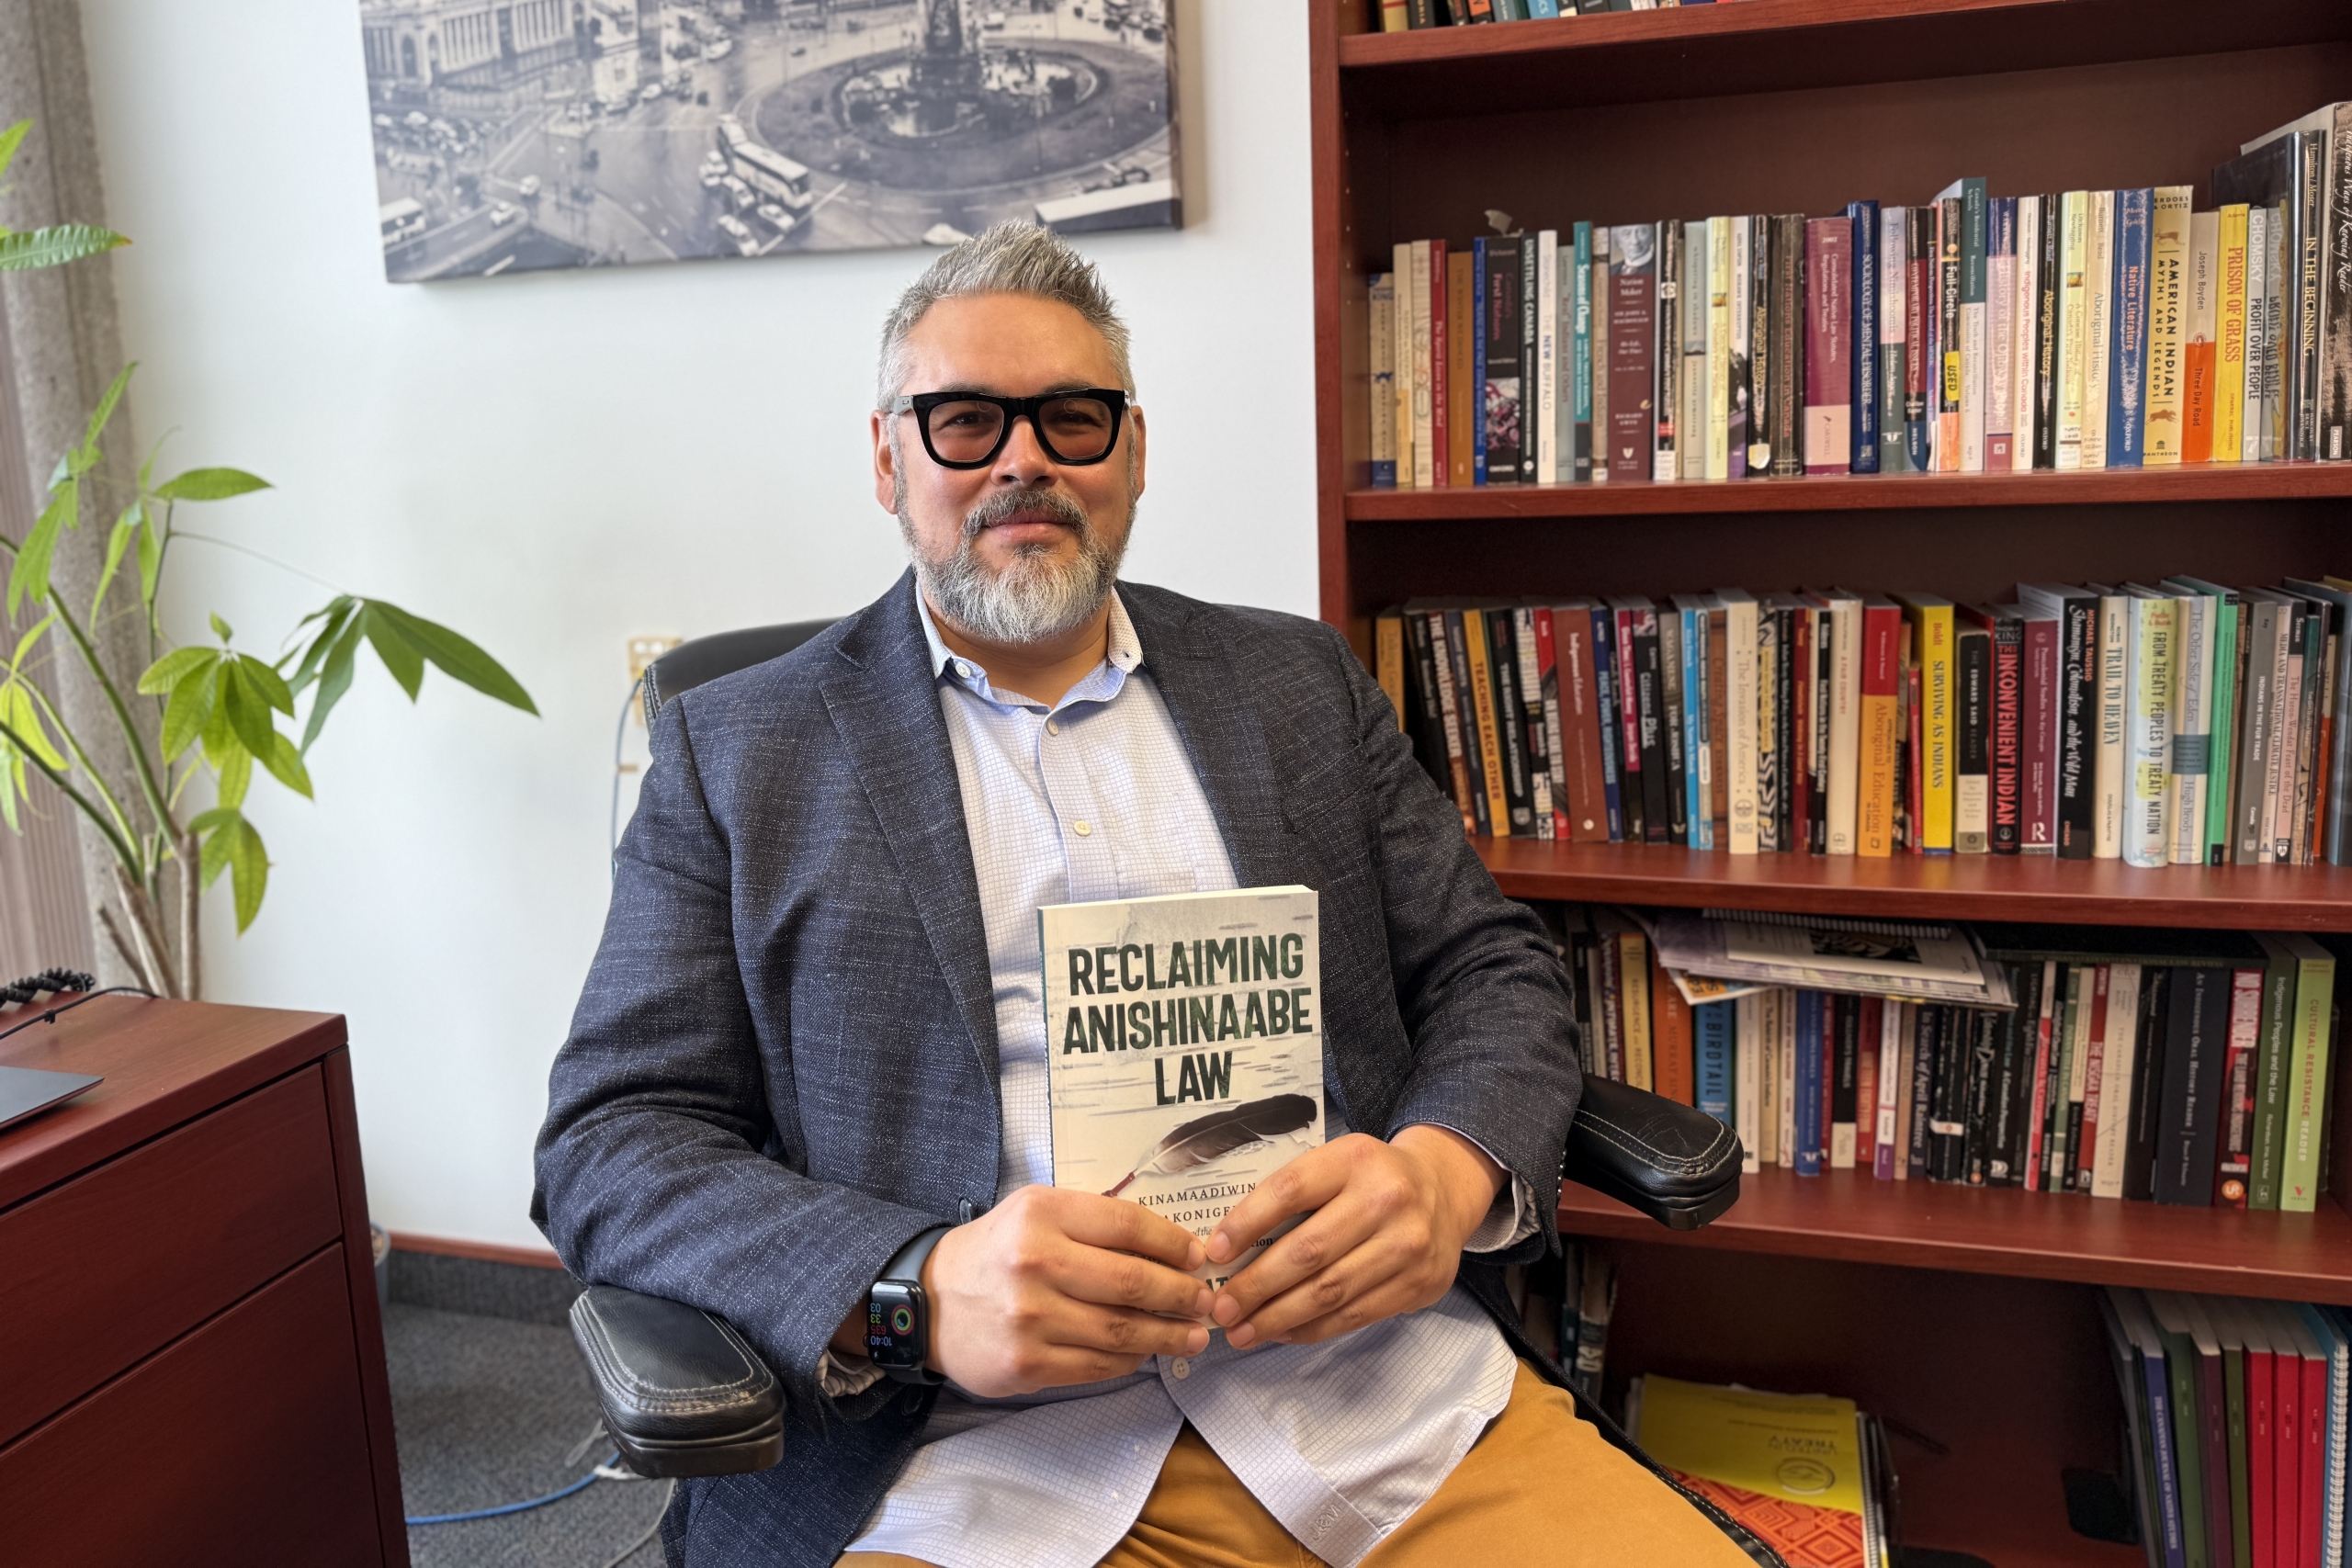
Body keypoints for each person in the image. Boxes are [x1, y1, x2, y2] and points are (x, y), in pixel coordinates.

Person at [534, 222, 1760, 1568]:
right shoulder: (739, 749)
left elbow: (1491, 969)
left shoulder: (1298, 687)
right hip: (962, 1464)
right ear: (887, 460)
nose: (1023, 461)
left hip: (1380, 1404)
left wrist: (1444, 1175)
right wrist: (910, 1290)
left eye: (1072, 418)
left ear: (1130, 452)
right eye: (963, 423)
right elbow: (615, 1139)